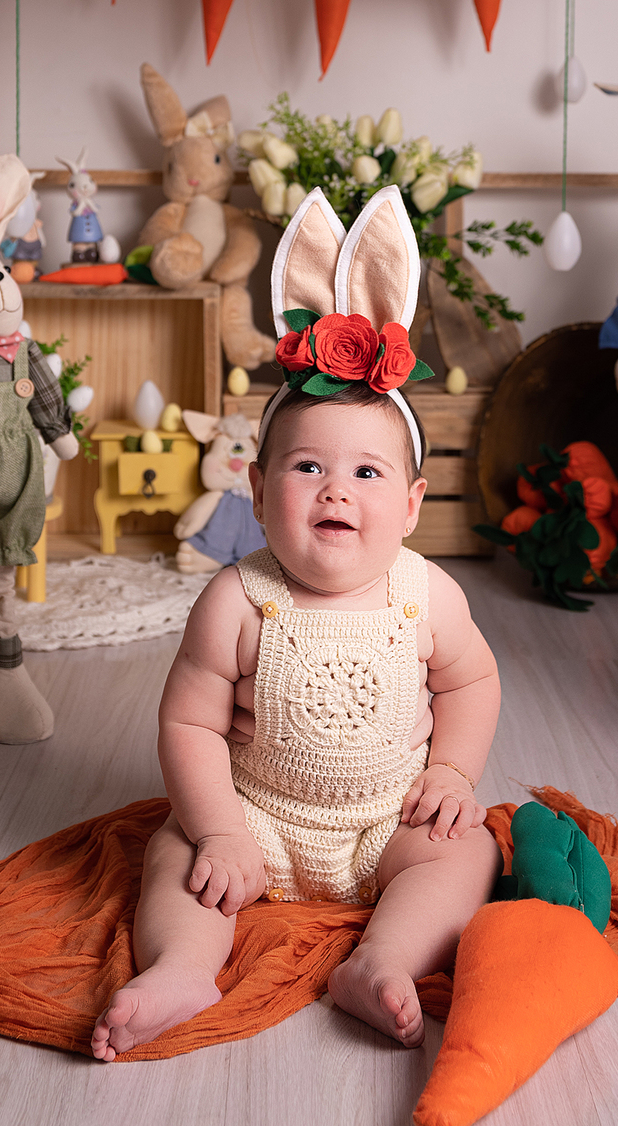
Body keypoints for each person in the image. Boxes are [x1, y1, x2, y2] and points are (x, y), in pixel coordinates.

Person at [91, 378, 501, 1060]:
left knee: (468, 851)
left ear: (410, 505)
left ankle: (382, 959)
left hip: (388, 819)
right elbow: (189, 725)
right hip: (257, 819)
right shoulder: (236, 600)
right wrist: (221, 830)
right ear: (257, 490)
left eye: (366, 472)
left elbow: (471, 682)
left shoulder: (428, 594)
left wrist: (454, 772)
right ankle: (182, 967)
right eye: (308, 466)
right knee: (179, 853)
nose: (335, 490)